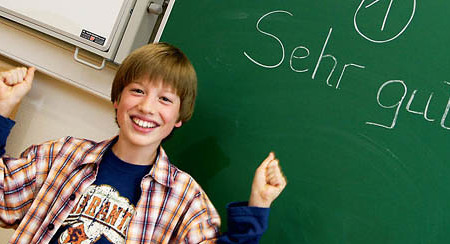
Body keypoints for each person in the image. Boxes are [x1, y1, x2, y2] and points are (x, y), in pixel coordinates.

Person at [0, 43, 287, 244]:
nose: (147, 107)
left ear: (179, 117)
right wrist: (3, 108)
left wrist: (258, 206)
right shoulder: (62, 155)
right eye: (137, 91)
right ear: (117, 99)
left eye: (165, 99)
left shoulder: (186, 200)